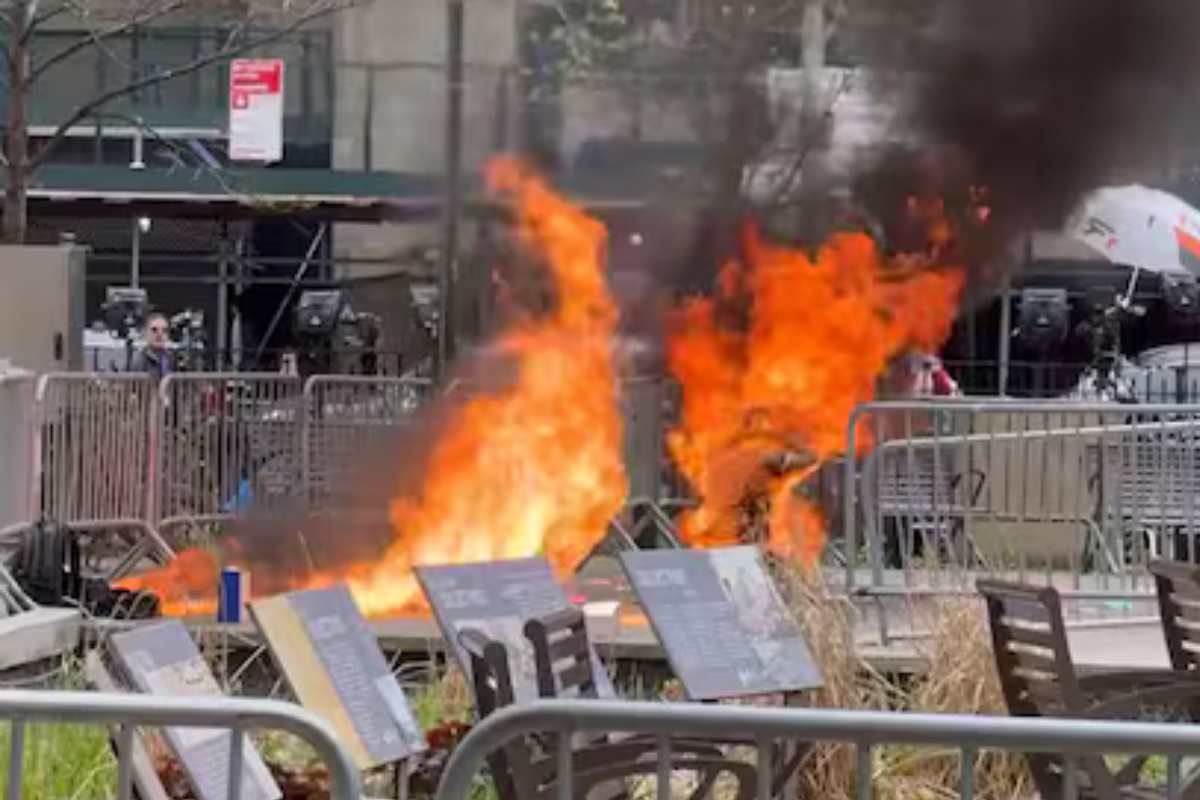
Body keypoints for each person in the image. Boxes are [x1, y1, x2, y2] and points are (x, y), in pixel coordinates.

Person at [130, 313, 174, 381]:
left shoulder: (172, 358)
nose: (160, 334)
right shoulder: (138, 360)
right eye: (154, 330)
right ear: (145, 333)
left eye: (164, 330)